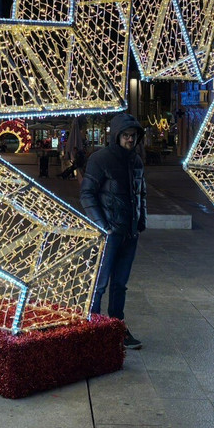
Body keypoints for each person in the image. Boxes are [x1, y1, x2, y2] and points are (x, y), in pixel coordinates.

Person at [80, 113, 146, 349]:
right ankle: (93, 328)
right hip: (110, 232)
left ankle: (117, 327)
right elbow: (87, 193)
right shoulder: (101, 159)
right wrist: (103, 226)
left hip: (129, 233)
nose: (130, 139)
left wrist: (141, 221)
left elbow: (141, 193)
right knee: (100, 282)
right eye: (126, 135)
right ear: (116, 136)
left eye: (134, 136)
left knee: (120, 283)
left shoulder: (136, 161)